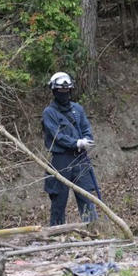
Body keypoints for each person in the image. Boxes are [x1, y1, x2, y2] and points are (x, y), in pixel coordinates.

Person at [41, 72, 98, 226]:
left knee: (86, 196)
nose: (64, 95)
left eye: (67, 91)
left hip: (80, 159)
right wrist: (76, 143)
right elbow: (57, 136)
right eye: (61, 92)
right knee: (59, 200)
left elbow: (86, 128)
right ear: (54, 91)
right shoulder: (49, 113)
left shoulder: (77, 109)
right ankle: (56, 233)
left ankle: (93, 230)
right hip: (61, 160)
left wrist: (86, 140)